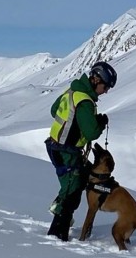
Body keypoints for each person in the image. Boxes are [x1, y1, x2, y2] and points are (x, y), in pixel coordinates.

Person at [45, 60, 117, 241]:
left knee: (76, 183)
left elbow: (55, 110)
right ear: (96, 80)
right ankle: (56, 235)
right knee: (71, 192)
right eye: (106, 86)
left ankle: (60, 208)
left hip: (54, 146)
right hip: (67, 151)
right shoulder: (85, 101)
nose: (106, 91)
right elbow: (91, 133)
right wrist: (99, 122)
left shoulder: (72, 91)